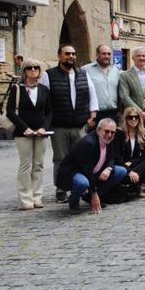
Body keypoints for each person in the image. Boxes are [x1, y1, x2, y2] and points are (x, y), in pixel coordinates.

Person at [40, 45, 100, 202]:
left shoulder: (83, 73)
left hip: (80, 124)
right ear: (59, 56)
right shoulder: (48, 75)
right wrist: (45, 124)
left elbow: (92, 94)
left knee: (82, 157)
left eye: (73, 54)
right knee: (60, 158)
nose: (71, 56)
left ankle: (81, 186)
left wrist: (92, 114)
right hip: (59, 124)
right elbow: (44, 100)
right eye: (67, 54)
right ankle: (61, 188)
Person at [6, 59, 52, 210]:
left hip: (40, 132)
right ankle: (26, 199)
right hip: (23, 132)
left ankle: (37, 197)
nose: (33, 70)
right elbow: (11, 112)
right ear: (24, 71)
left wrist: (44, 128)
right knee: (26, 165)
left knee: (38, 164)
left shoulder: (44, 89)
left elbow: (50, 112)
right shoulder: (16, 89)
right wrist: (24, 128)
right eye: (30, 68)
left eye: (36, 68)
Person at [56, 118, 127, 214]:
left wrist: (109, 168)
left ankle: (89, 198)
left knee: (121, 171)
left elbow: (111, 157)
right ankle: (73, 202)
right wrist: (94, 193)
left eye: (112, 132)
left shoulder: (109, 140)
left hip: (93, 171)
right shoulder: (88, 143)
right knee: (83, 182)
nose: (109, 135)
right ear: (98, 130)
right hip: (75, 172)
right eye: (106, 131)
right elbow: (87, 171)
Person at [113, 107, 145, 198]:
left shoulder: (143, 132)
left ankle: (136, 187)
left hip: (134, 164)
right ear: (125, 119)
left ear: (139, 119)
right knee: (143, 166)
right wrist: (126, 166)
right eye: (130, 117)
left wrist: (131, 162)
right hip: (121, 166)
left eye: (136, 117)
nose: (134, 119)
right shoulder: (119, 133)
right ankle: (136, 187)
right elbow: (116, 156)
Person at [118, 47, 145, 128]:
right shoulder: (125, 75)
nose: (141, 58)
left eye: (143, 56)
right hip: (133, 117)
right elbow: (124, 96)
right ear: (133, 58)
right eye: (138, 56)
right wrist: (140, 112)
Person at [81, 45, 121, 124]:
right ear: (97, 55)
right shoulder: (85, 70)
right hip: (94, 115)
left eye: (109, 54)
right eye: (104, 54)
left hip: (113, 114)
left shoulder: (116, 71)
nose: (107, 56)